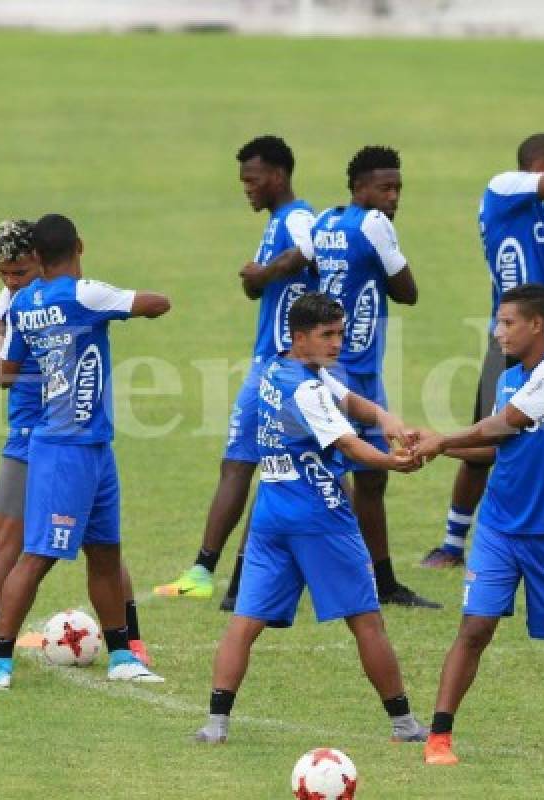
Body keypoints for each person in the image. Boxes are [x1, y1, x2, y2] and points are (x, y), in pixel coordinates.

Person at [193, 293, 428, 744]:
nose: (338, 343)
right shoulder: (308, 388)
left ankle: (215, 724)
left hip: (270, 515)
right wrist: (391, 462)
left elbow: (350, 401)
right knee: (366, 620)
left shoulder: (276, 369)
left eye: (340, 333)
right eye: (327, 335)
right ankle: (404, 724)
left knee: (244, 622)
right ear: (300, 337)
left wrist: (387, 418)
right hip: (320, 517)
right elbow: (348, 444)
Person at [0, 220, 150, 673]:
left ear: (42, 261)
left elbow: (1, 363)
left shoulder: (56, 296)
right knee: (36, 544)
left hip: (45, 432)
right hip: (38, 433)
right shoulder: (21, 295)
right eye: (4, 275)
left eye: (20, 272)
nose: (12, 282)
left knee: (78, 546)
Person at [414, 284, 544, 765]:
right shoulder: (508, 377)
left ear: (536, 324)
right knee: (474, 628)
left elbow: (506, 424)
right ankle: (439, 737)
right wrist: (436, 449)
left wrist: (441, 440)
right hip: (499, 526)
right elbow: (494, 446)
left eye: (506, 322)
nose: (498, 332)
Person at [0, 213, 171, 689]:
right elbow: (158, 303)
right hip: (67, 449)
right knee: (38, 557)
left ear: (38, 259)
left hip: (90, 444)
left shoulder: (23, 303)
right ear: (79, 246)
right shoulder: (85, 294)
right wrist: (110, 307)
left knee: (105, 553)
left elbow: (7, 371)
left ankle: (123, 654)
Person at [421, 133, 544, 578]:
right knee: (485, 438)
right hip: (509, 337)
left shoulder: (539, 219)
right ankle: (452, 544)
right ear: (538, 165)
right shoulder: (502, 189)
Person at [153, 135, 316, 608]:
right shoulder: (275, 223)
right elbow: (272, 284)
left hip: (284, 366)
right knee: (243, 463)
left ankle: (238, 578)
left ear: (279, 176)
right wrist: (257, 279)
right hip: (268, 363)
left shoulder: (299, 217)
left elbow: (310, 250)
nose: (246, 187)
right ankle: (208, 571)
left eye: (253, 179)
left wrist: (264, 274)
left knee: (280, 466)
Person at [308, 144, 439, 608]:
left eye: (398, 188)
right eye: (385, 187)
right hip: (352, 370)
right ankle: (361, 577)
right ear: (359, 187)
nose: (393, 197)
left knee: (360, 477)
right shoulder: (374, 225)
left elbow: (305, 270)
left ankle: (375, 579)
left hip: (336, 364)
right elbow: (408, 292)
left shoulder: (325, 222)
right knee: (345, 476)